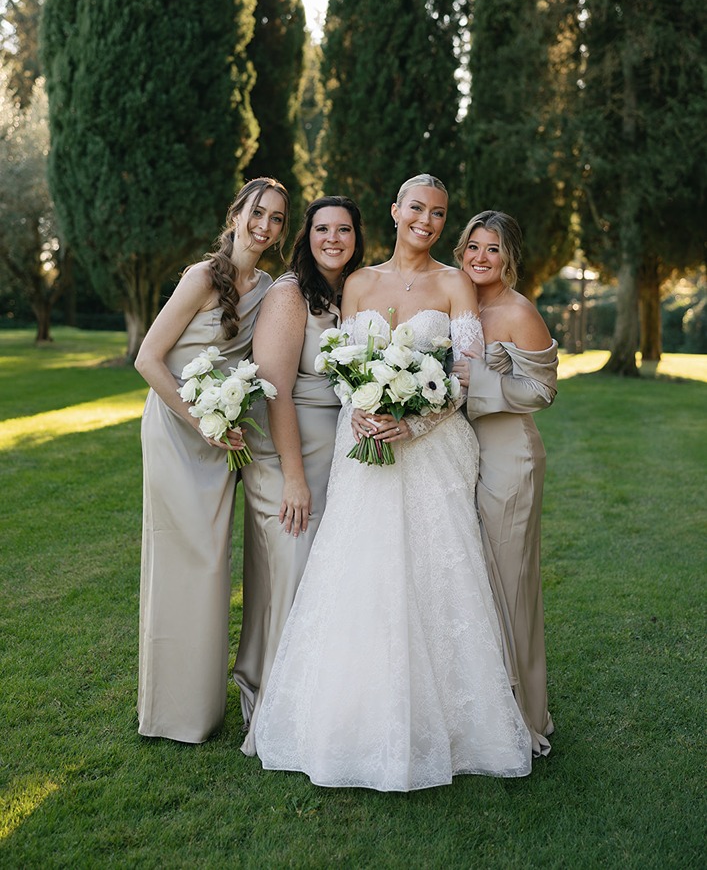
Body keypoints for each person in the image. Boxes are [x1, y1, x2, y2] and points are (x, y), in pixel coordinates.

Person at [254, 175, 532, 791]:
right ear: (395, 211)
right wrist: (361, 405)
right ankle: (352, 723)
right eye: (416, 209)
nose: (426, 221)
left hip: (432, 449)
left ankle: (458, 727)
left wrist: (416, 421)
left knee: (438, 577)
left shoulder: (455, 282)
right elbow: (345, 364)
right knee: (364, 577)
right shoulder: (359, 282)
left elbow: (462, 377)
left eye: (438, 214)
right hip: (365, 446)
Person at [135, 176, 289, 743]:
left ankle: (200, 707)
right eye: (258, 212)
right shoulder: (202, 277)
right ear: (237, 212)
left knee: (211, 566)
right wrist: (199, 418)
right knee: (183, 562)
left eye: (276, 219)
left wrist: (223, 419)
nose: (265, 226)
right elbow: (148, 360)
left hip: (223, 430)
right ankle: (173, 715)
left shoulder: (268, 286)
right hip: (180, 429)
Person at [234, 195, 365, 756]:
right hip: (288, 456)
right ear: (305, 237)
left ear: (358, 236)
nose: (332, 239)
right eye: (320, 229)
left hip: (337, 453)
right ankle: (273, 705)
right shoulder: (289, 296)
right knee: (289, 572)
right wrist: (293, 478)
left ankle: (322, 701)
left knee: (325, 580)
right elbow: (275, 392)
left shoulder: (354, 294)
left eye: (343, 229)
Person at [452, 209, 558, 757]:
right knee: (476, 583)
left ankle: (524, 714)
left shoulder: (519, 311)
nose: (480, 258)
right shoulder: (460, 302)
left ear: (508, 257)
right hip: (464, 456)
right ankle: (484, 705)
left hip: (509, 456)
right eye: (473, 246)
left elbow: (542, 390)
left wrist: (482, 379)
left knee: (511, 585)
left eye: (492, 249)